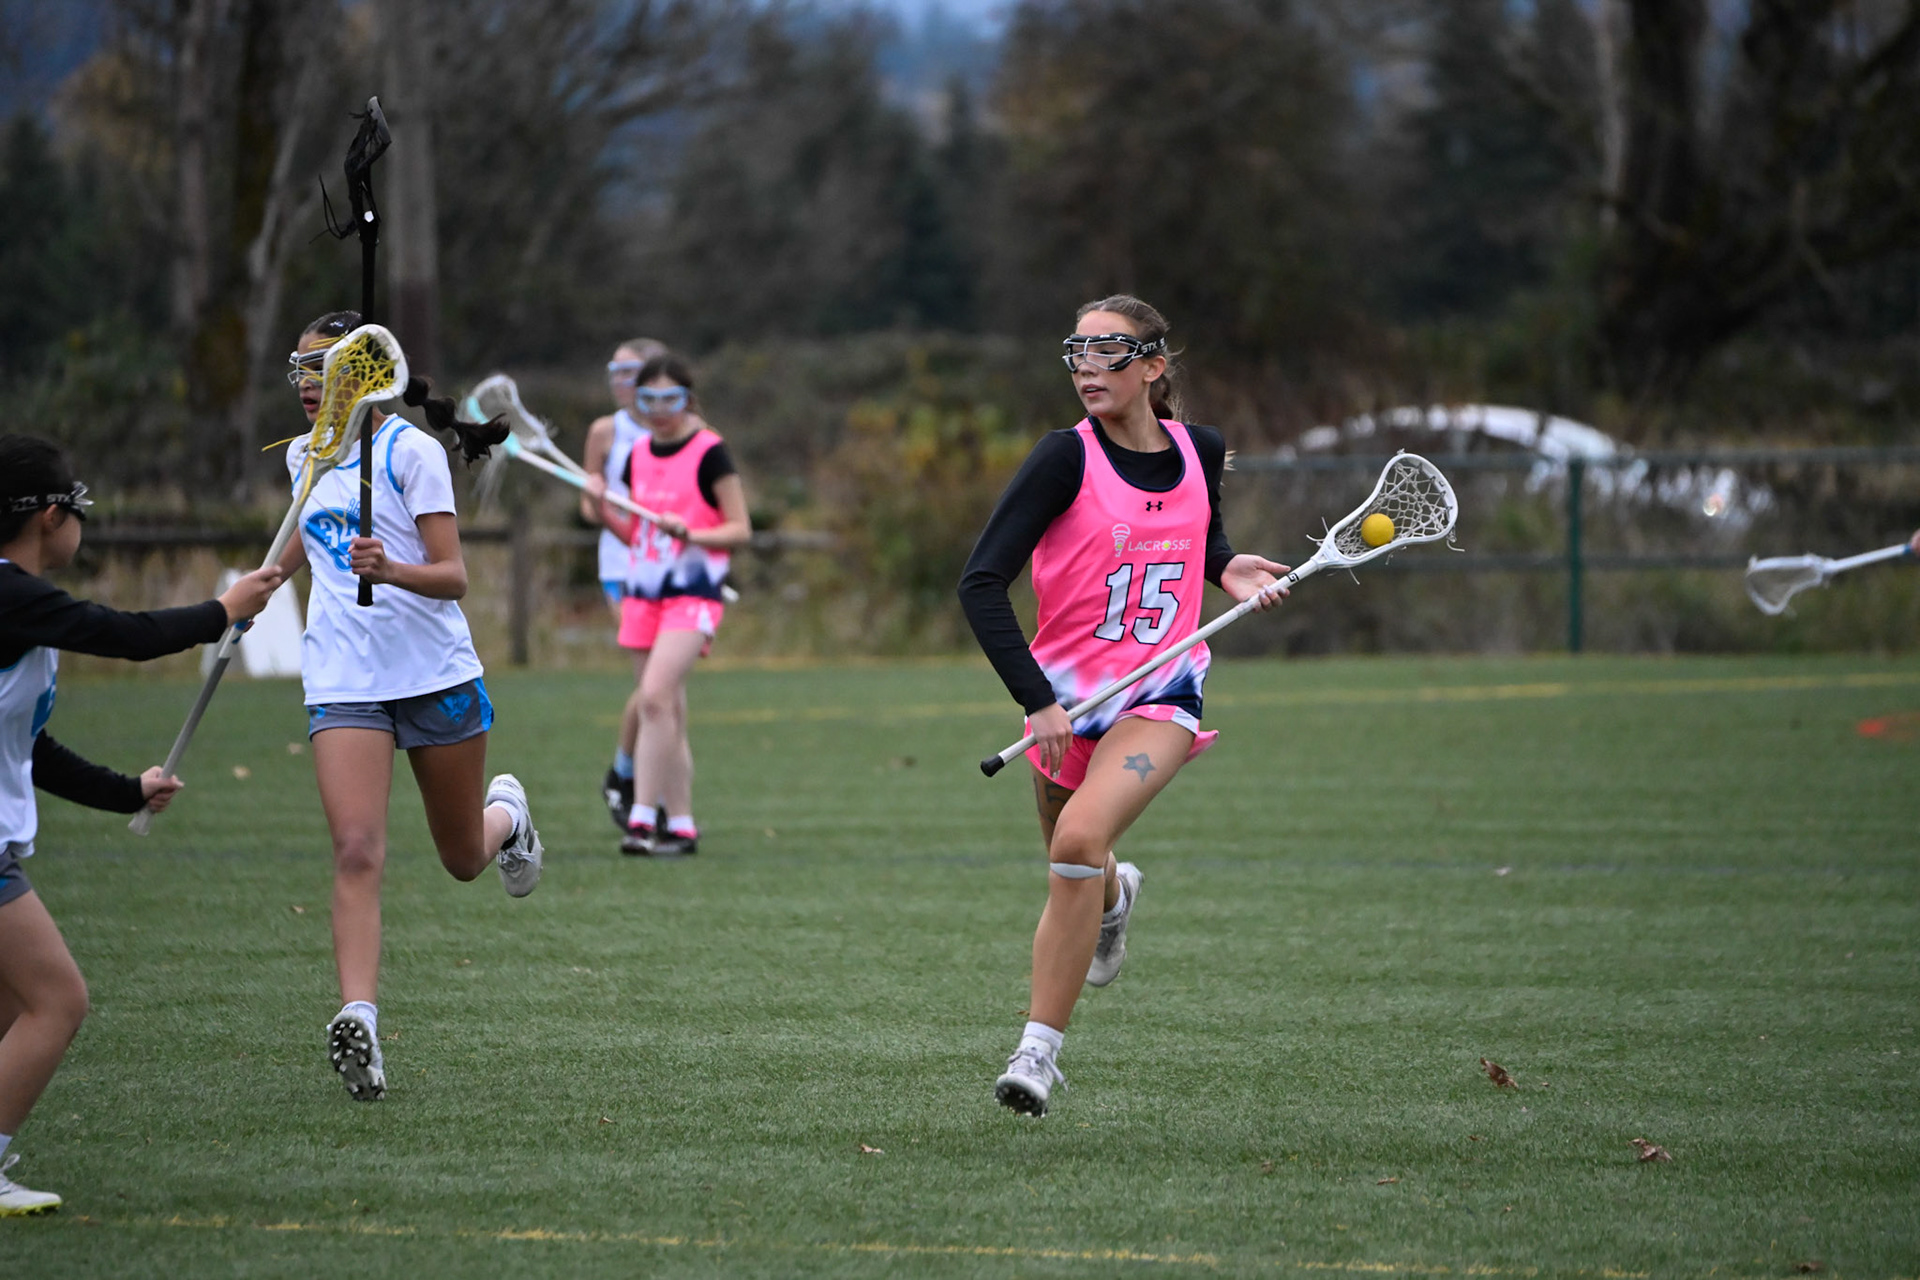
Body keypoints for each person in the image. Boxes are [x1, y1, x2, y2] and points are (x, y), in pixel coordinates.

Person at [957, 295, 1289, 1117]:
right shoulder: (1061, 459)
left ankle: (1036, 1056)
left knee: (1076, 842)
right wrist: (1036, 701)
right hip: (1065, 702)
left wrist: (1226, 568)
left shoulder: (1199, 448)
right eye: (1078, 351)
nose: (1088, 367)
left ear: (1153, 366)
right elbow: (981, 583)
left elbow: (1197, 534)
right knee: (1075, 859)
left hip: (1161, 693)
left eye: (1109, 351)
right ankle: (1115, 897)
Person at [0, 435, 284, 1212]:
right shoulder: (12, 597)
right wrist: (222, 611)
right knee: (58, 1002)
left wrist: (126, 791)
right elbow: (123, 636)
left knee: (15, 1010)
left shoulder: (18, 605)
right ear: (51, 516)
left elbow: (31, 748)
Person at [275, 310, 540, 1101]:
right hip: (343, 681)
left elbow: (453, 576)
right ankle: (359, 1019)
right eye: (300, 370)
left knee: (461, 858)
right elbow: (301, 545)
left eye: (321, 369)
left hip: (432, 676)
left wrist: (390, 569)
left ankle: (509, 816)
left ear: (360, 376)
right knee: (356, 849)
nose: (306, 384)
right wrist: (250, 594)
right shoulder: (302, 456)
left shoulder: (409, 453)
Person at [584, 353, 750, 857]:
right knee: (667, 709)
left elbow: (740, 529)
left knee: (653, 698)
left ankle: (640, 820)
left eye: (669, 399)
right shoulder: (637, 455)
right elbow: (637, 536)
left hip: (693, 592)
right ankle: (681, 825)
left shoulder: (710, 452)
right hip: (643, 594)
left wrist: (691, 533)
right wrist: (601, 506)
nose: (659, 409)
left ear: (688, 399)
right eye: (648, 399)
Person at [581, 338, 661, 831]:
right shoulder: (605, 431)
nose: (619, 380)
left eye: (629, 371)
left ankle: (630, 777)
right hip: (622, 568)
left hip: (671, 567)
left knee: (663, 689)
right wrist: (600, 502)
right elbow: (588, 507)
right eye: (615, 370)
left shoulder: (683, 430)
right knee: (654, 684)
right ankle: (635, 781)